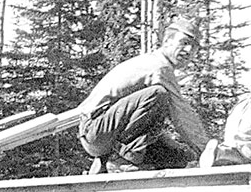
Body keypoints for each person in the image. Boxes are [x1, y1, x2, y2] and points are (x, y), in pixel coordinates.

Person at [78, 19, 209, 173]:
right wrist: (209, 150)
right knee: (158, 95)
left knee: (181, 156)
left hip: (102, 134)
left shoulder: (156, 65)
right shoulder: (159, 67)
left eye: (194, 47)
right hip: (96, 131)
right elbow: (182, 116)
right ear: (167, 41)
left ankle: (105, 162)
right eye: (184, 42)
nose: (188, 50)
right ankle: (121, 160)